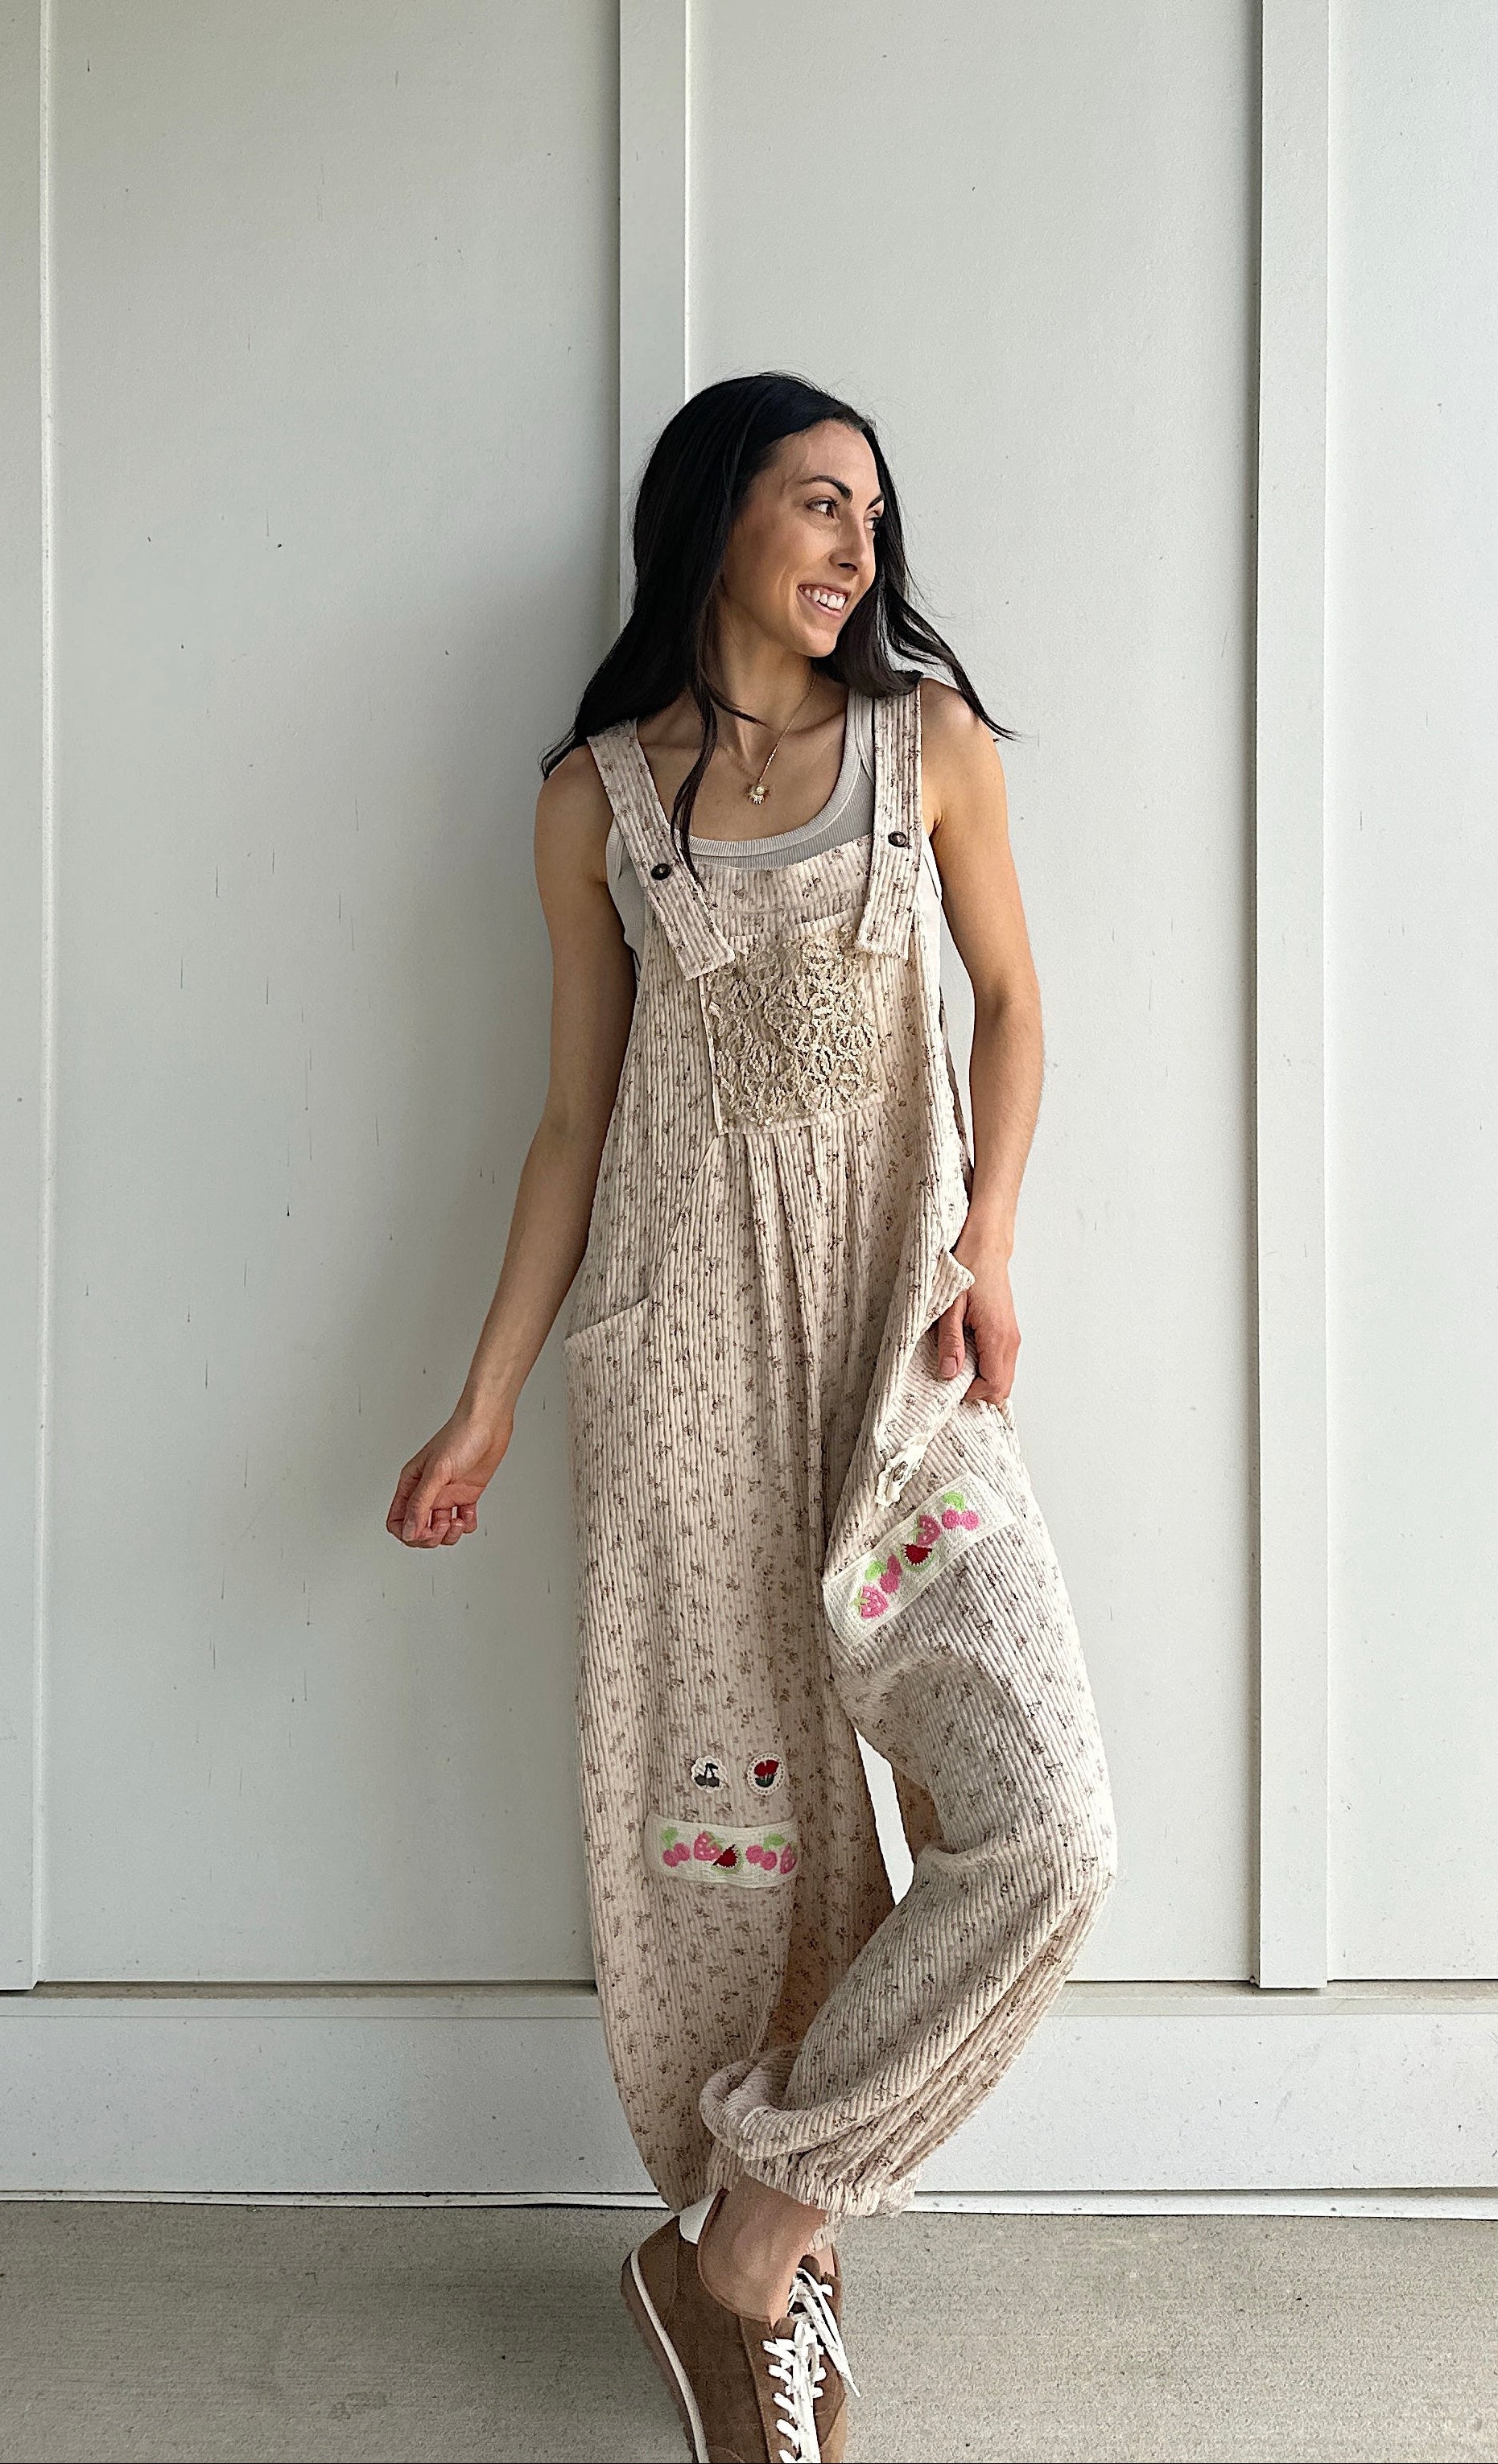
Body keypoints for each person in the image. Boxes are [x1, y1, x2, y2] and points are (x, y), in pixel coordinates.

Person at [387, 372, 1117, 2463]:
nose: (857, 550)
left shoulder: (926, 750)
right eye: (818, 504)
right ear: (712, 514)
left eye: (875, 517)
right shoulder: (600, 799)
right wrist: (486, 1400)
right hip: (680, 1370)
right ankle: (764, 2278)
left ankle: (742, 2238)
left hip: (902, 1378)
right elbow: (564, 1123)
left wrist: (987, 1239)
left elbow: (1013, 1004)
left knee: (1045, 1831)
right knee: (733, 1855)